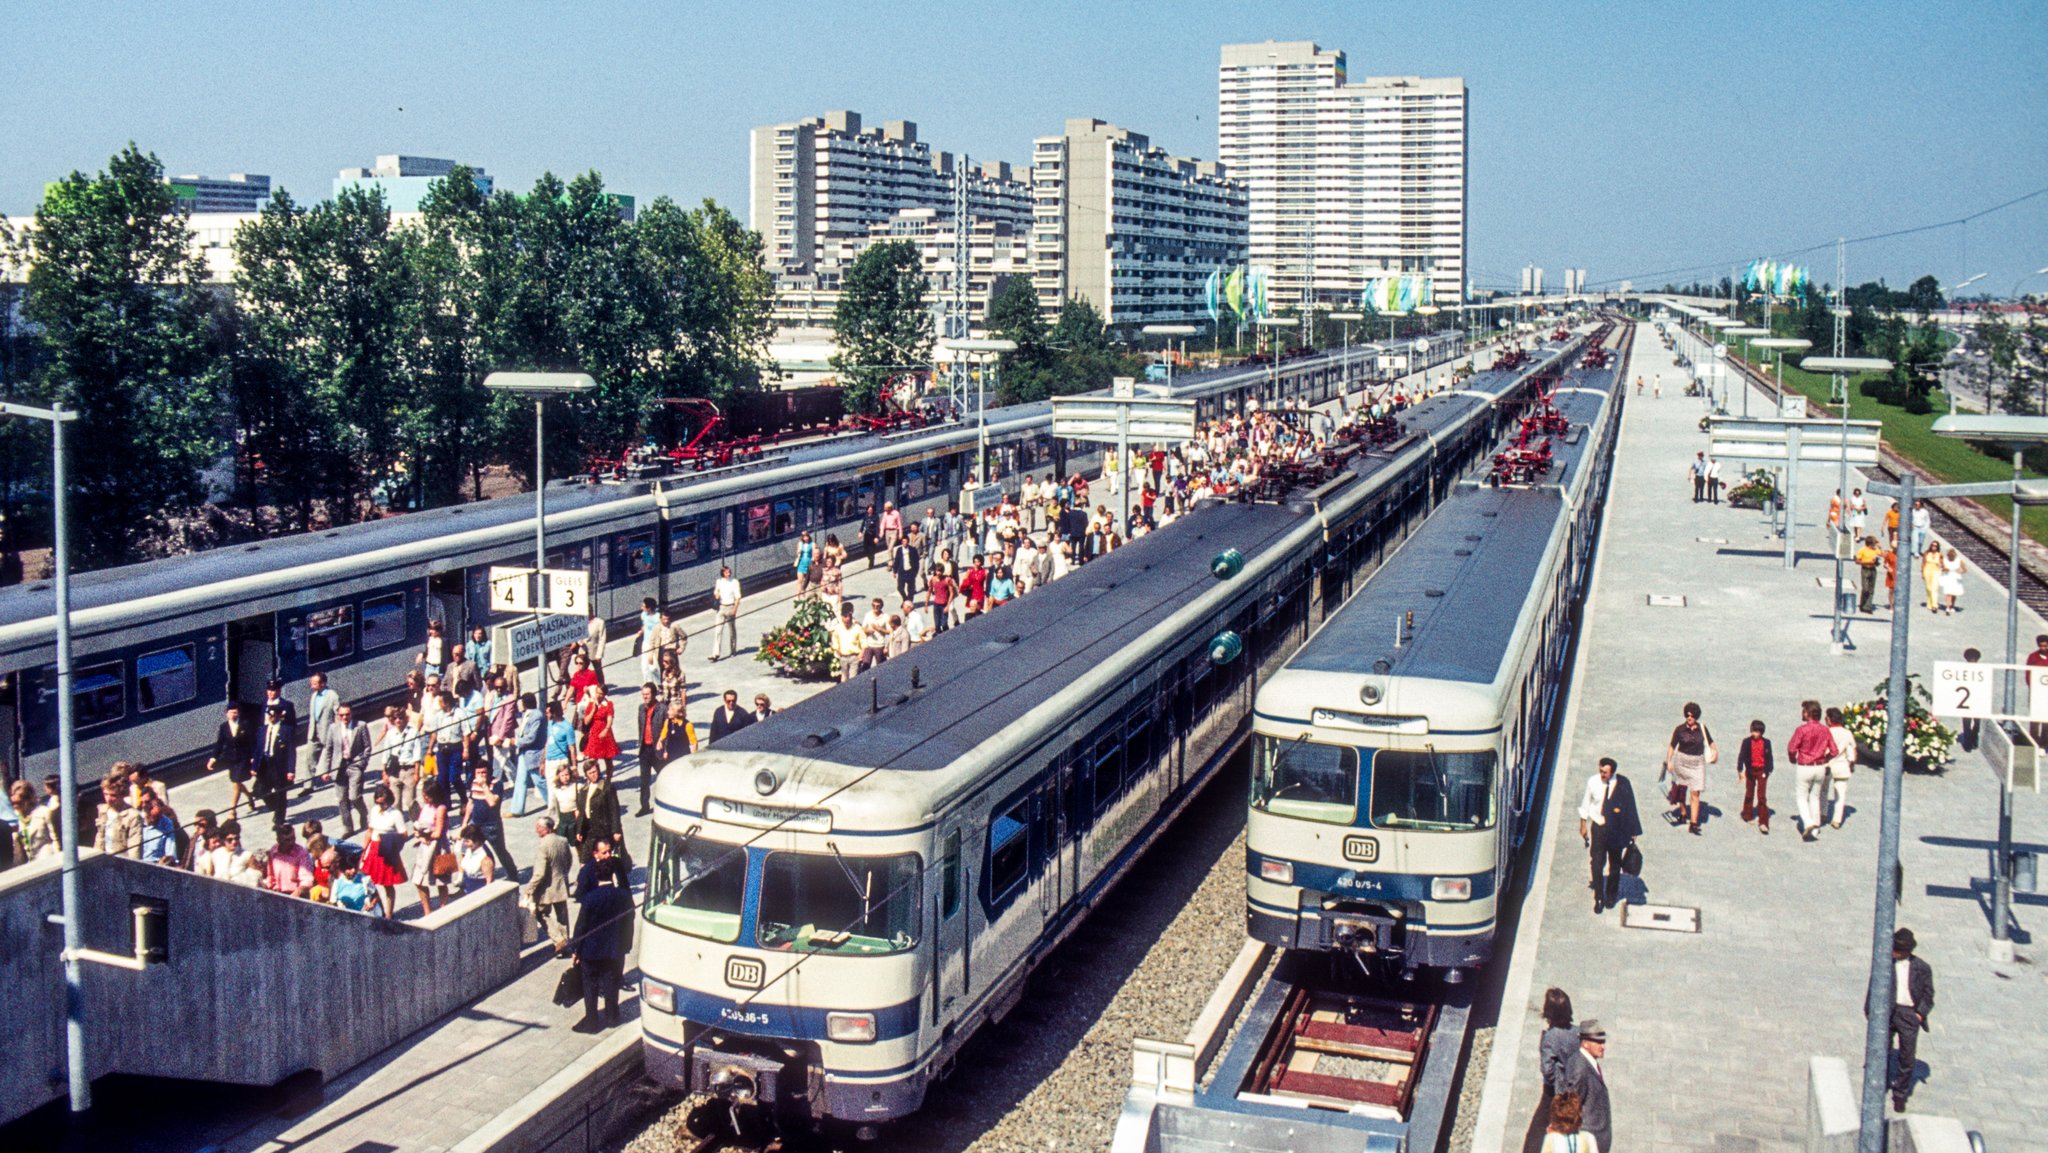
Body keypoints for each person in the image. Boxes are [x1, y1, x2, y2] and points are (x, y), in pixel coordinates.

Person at [571, 839, 634, 1030]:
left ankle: (591, 1021)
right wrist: (626, 944)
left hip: (591, 950)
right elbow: (629, 919)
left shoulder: (590, 900)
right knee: (611, 982)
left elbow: (581, 927)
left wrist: (576, 950)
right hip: (614, 948)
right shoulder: (623, 896)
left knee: (590, 985)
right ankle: (612, 1017)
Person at [1871, 927, 1935, 1112]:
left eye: (1897, 950)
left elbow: (1928, 994)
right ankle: (1879, 1084)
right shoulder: (1886, 963)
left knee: (1907, 1057)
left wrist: (1919, 1014)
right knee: (1881, 1049)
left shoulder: (1922, 968)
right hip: (1888, 1011)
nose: (1893, 953)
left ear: (1907, 951)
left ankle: (1900, 1093)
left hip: (1909, 1014)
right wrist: (1870, 1008)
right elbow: (1874, 983)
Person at [1577, 757, 1640, 914]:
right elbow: (1586, 802)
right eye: (1600, 771)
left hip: (1616, 830)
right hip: (1599, 829)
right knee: (1597, 863)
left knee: (1615, 865)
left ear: (1612, 772)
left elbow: (1631, 806)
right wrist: (1583, 823)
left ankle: (1611, 894)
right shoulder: (1593, 782)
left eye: (1605, 772)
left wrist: (1633, 831)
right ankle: (1599, 896)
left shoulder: (1623, 784)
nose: (1602, 774)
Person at [316, 702, 374, 837]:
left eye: (347, 714)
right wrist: (325, 770)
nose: (344, 718)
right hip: (339, 767)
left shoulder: (361, 726)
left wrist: (362, 763)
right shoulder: (333, 728)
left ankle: (363, 814)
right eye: (341, 715)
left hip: (355, 765)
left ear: (351, 714)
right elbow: (328, 749)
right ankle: (348, 828)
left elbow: (367, 747)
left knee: (354, 797)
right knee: (342, 799)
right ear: (338, 716)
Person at [1556, 1021, 1613, 1153]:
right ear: (1585, 1043)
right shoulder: (1580, 1069)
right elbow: (1571, 1105)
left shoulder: (1584, 1059)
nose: (1603, 1046)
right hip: (1589, 1139)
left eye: (1603, 1042)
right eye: (1598, 1042)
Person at [1662, 702, 1715, 835]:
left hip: (1697, 763)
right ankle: (1683, 812)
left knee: (1695, 792)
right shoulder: (1679, 729)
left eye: (1691, 715)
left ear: (1696, 716)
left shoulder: (1702, 728)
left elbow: (1711, 743)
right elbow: (1672, 746)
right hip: (1681, 761)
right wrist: (1669, 761)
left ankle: (1693, 823)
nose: (1689, 718)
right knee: (1681, 789)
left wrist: (1715, 752)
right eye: (1687, 715)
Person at [1787, 700, 1835, 842]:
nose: (1802, 713)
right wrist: (1825, 758)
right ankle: (1816, 828)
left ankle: (1808, 823)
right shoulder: (1825, 730)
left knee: (1801, 797)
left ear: (1808, 714)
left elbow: (1791, 748)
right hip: (1819, 766)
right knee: (1815, 797)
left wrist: (1792, 758)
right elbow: (1834, 750)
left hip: (1804, 766)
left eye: (1804, 711)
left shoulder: (1802, 730)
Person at [528, 815, 575, 953]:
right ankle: (565, 941)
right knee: (562, 915)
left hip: (546, 888)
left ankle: (558, 939)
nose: (536, 830)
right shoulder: (563, 840)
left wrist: (530, 889)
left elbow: (539, 873)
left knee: (541, 913)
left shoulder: (543, 846)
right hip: (561, 884)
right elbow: (569, 861)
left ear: (546, 829)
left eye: (538, 827)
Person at [465, 765, 519, 879]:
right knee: (469, 849)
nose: (480, 775)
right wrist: (465, 822)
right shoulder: (474, 782)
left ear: (489, 773)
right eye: (478, 772)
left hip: (491, 825)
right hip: (476, 824)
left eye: (483, 772)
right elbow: (470, 803)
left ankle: (513, 875)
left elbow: (492, 803)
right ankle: (472, 876)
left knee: (500, 851)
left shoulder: (497, 784)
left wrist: (484, 786)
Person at [361, 785, 408, 916]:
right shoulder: (374, 810)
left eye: (383, 803)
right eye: (378, 802)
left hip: (387, 850)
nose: (381, 805)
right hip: (373, 849)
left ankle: (389, 914)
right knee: (369, 883)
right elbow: (369, 831)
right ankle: (378, 909)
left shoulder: (396, 814)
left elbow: (404, 834)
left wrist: (391, 843)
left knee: (388, 884)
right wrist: (363, 850)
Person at [410, 778, 452, 913]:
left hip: (440, 848)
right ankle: (427, 911)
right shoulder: (426, 808)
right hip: (425, 848)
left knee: (442, 882)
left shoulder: (441, 808)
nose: (424, 798)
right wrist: (417, 833)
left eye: (427, 796)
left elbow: (438, 833)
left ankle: (444, 908)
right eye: (423, 795)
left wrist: (423, 836)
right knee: (419, 880)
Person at [208, 702, 256, 818]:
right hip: (231, 759)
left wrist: (254, 757)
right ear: (226, 713)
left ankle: (233, 811)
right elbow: (219, 743)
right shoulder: (224, 727)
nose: (234, 715)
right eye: (231, 712)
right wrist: (213, 758)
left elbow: (252, 742)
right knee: (237, 782)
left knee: (236, 783)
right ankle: (249, 796)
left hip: (243, 759)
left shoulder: (246, 724)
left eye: (236, 712)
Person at [575, 760, 623, 865]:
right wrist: (579, 830)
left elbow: (614, 810)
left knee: (606, 856)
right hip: (589, 829)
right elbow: (582, 812)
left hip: (603, 829)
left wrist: (616, 830)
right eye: (590, 773)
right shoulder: (584, 790)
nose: (593, 775)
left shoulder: (607, 787)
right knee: (585, 858)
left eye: (595, 772)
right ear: (586, 775)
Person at [1538, 987, 1577, 1108]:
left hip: (1558, 1091)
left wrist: (1558, 1085)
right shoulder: (1578, 1031)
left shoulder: (1549, 1038)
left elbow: (1547, 1069)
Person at [303, 671, 339, 795]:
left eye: (314, 683)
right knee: (309, 758)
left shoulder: (332, 696)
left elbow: (338, 714)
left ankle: (336, 778)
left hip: (326, 732)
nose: (311, 686)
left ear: (322, 683)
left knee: (329, 758)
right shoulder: (314, 696)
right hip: (314, 733)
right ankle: (308, 785)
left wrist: (337, 731)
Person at [1736, 719, 1774, 834]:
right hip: (1750, 770)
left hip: (1762, 771)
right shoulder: (1747, 742)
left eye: (1757, 732)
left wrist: (1769, 770)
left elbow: (1769, 757)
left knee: (1761, 796)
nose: (1755, 734)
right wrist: (1740, 769)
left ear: (1761, 733)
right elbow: (1741, 755)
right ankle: (1747, 814)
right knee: (1749, 793)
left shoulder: (1767, 742)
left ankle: (1763, 821)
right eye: (1753, 731)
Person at [1824, 706, 1857, 829]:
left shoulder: (1826, 732)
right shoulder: (1847, 733)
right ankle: (1837, 820)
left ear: (1829, 719)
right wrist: (1852, 763)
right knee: (1840, 794)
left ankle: (1823, 813)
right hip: (1842, 766)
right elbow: (1851, 750)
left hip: (1827, 765)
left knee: (1824, 790)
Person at [634, 682, 663, 817]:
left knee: (663, 776)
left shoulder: (662, 709)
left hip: (657, 749)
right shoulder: (641, 708)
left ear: (654, 694)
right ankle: (644, 806)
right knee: (644, 780)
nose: (645, 697)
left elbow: (665, 730)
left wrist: (664, 746)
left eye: (647, 694)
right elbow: (641, 727)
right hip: (644, 749)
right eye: (643, 694)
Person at [581, 683, 619, 779]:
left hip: (605, 732)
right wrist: (593, 710)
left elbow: (610, 720)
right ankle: (593, 779)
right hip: (594, 733)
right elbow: (586, 721)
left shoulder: (608, 704)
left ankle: (609, 780)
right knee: (592, 759)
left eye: (601, 693)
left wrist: (606, 730)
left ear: (604, 694)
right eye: (597, 692)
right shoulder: (591, 704)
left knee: (608, 759)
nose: (598, 695)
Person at [455, 823, 494, 894]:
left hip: (479, 890)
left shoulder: (485, 858)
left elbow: (489, 881)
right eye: (464, 841)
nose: (465, 844)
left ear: (477, 841)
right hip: (468, 887)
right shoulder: (469, 850)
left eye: (467, 841)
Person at [712, 566, 742, 660]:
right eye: (726, 572)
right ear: (723, 573)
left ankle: (733, 650)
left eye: (729, 572)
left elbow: (738, 597)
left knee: (731, 630)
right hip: (721, 608)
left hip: (730, 607)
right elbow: (716, 591)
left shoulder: (734, 582)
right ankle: (715, 653)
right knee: (718, 630)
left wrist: (735, 609)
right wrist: (716, 594)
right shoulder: (719, 581)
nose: (728, 574)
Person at [831, 601, 865, 683]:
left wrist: (861, 655)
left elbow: (864, 642)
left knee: (853, 678)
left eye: (848, 617)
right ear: (842, 617)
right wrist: (837, 650)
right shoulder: (838, 628)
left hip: (854, 657)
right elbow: (835, 639)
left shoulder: (857, 627)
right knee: (844, 678)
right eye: (844, 617)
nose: (847, 619)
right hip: (843, 656)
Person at [1958, 648, 1983, 753]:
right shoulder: (1963, 670)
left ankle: (1974, 737)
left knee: (1977, 722)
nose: (1972, 661)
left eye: (1974, 659)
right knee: (1966, 722)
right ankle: (1968, 742)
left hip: (1977, 699)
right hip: (1966, 701)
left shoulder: (1981, 671)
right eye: (1970, 659)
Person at [1854, 536, 1882, 614]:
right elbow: (1857, 561)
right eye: (1874, 543)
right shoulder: (1862, 550)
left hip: (1873, 569)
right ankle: (1862, 604)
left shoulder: (1875, 550)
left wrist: (1880, 547)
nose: (1875, 545)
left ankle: (1867, 606)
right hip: (1865, 569)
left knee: (1871, 589)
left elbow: (1883, 555)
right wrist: (1867, 562)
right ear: (1870, 544)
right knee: (1865, 588)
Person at [1938, 546, 1965, 614]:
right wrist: (1944, 569)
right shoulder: (1945, 560)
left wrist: (1960, 572)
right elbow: (1942, 567)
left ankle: (1952, 605)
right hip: (1948, 577)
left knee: (1954, 593)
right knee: (1948, 593)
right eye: (1949, 555)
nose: (1950, 556)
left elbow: (1964, 569)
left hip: (1955, 577)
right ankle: (1948, 607)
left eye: (1951, 555)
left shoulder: (1959, 560)